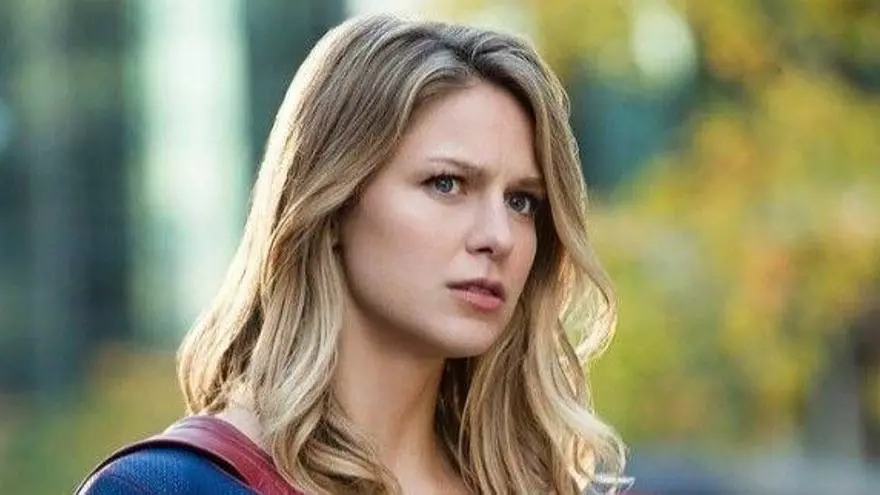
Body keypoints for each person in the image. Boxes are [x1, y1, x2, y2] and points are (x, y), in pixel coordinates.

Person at [78, 13, 627, 495]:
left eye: (521, 201)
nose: (498, 236)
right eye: (446, 183)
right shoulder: (169, 487)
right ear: (334, 204)